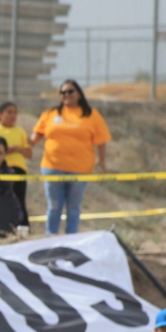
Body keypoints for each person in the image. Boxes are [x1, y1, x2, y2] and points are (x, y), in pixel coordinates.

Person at [29, 79, 110, 235]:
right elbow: (35, 137)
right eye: (63, 92)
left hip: (79, 169)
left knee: (73, 206)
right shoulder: (51, 114)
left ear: (78, 93)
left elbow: (101, 140)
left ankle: (71, 238)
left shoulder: (91, 115)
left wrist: (102, 161)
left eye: (70, 91)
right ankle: (50, 236)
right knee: (54, 205)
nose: (67, 95)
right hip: (52, 167)